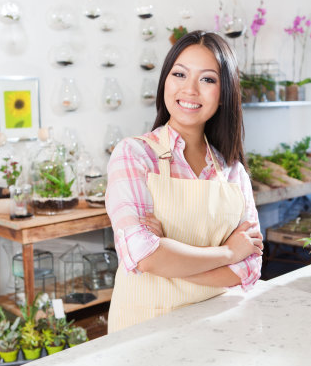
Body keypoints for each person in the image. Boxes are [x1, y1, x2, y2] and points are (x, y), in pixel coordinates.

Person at [105, 31, 263, 333]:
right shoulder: (134, 154)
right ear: (165, 80)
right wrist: (228, 253)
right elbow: (144, 255)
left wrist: (169, 259)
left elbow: (250, 267)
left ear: (224, 92)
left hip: (217, 329)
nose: (190, 89)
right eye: (179, 74)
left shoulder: (232, 171)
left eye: (207, 79)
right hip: (143, 333)